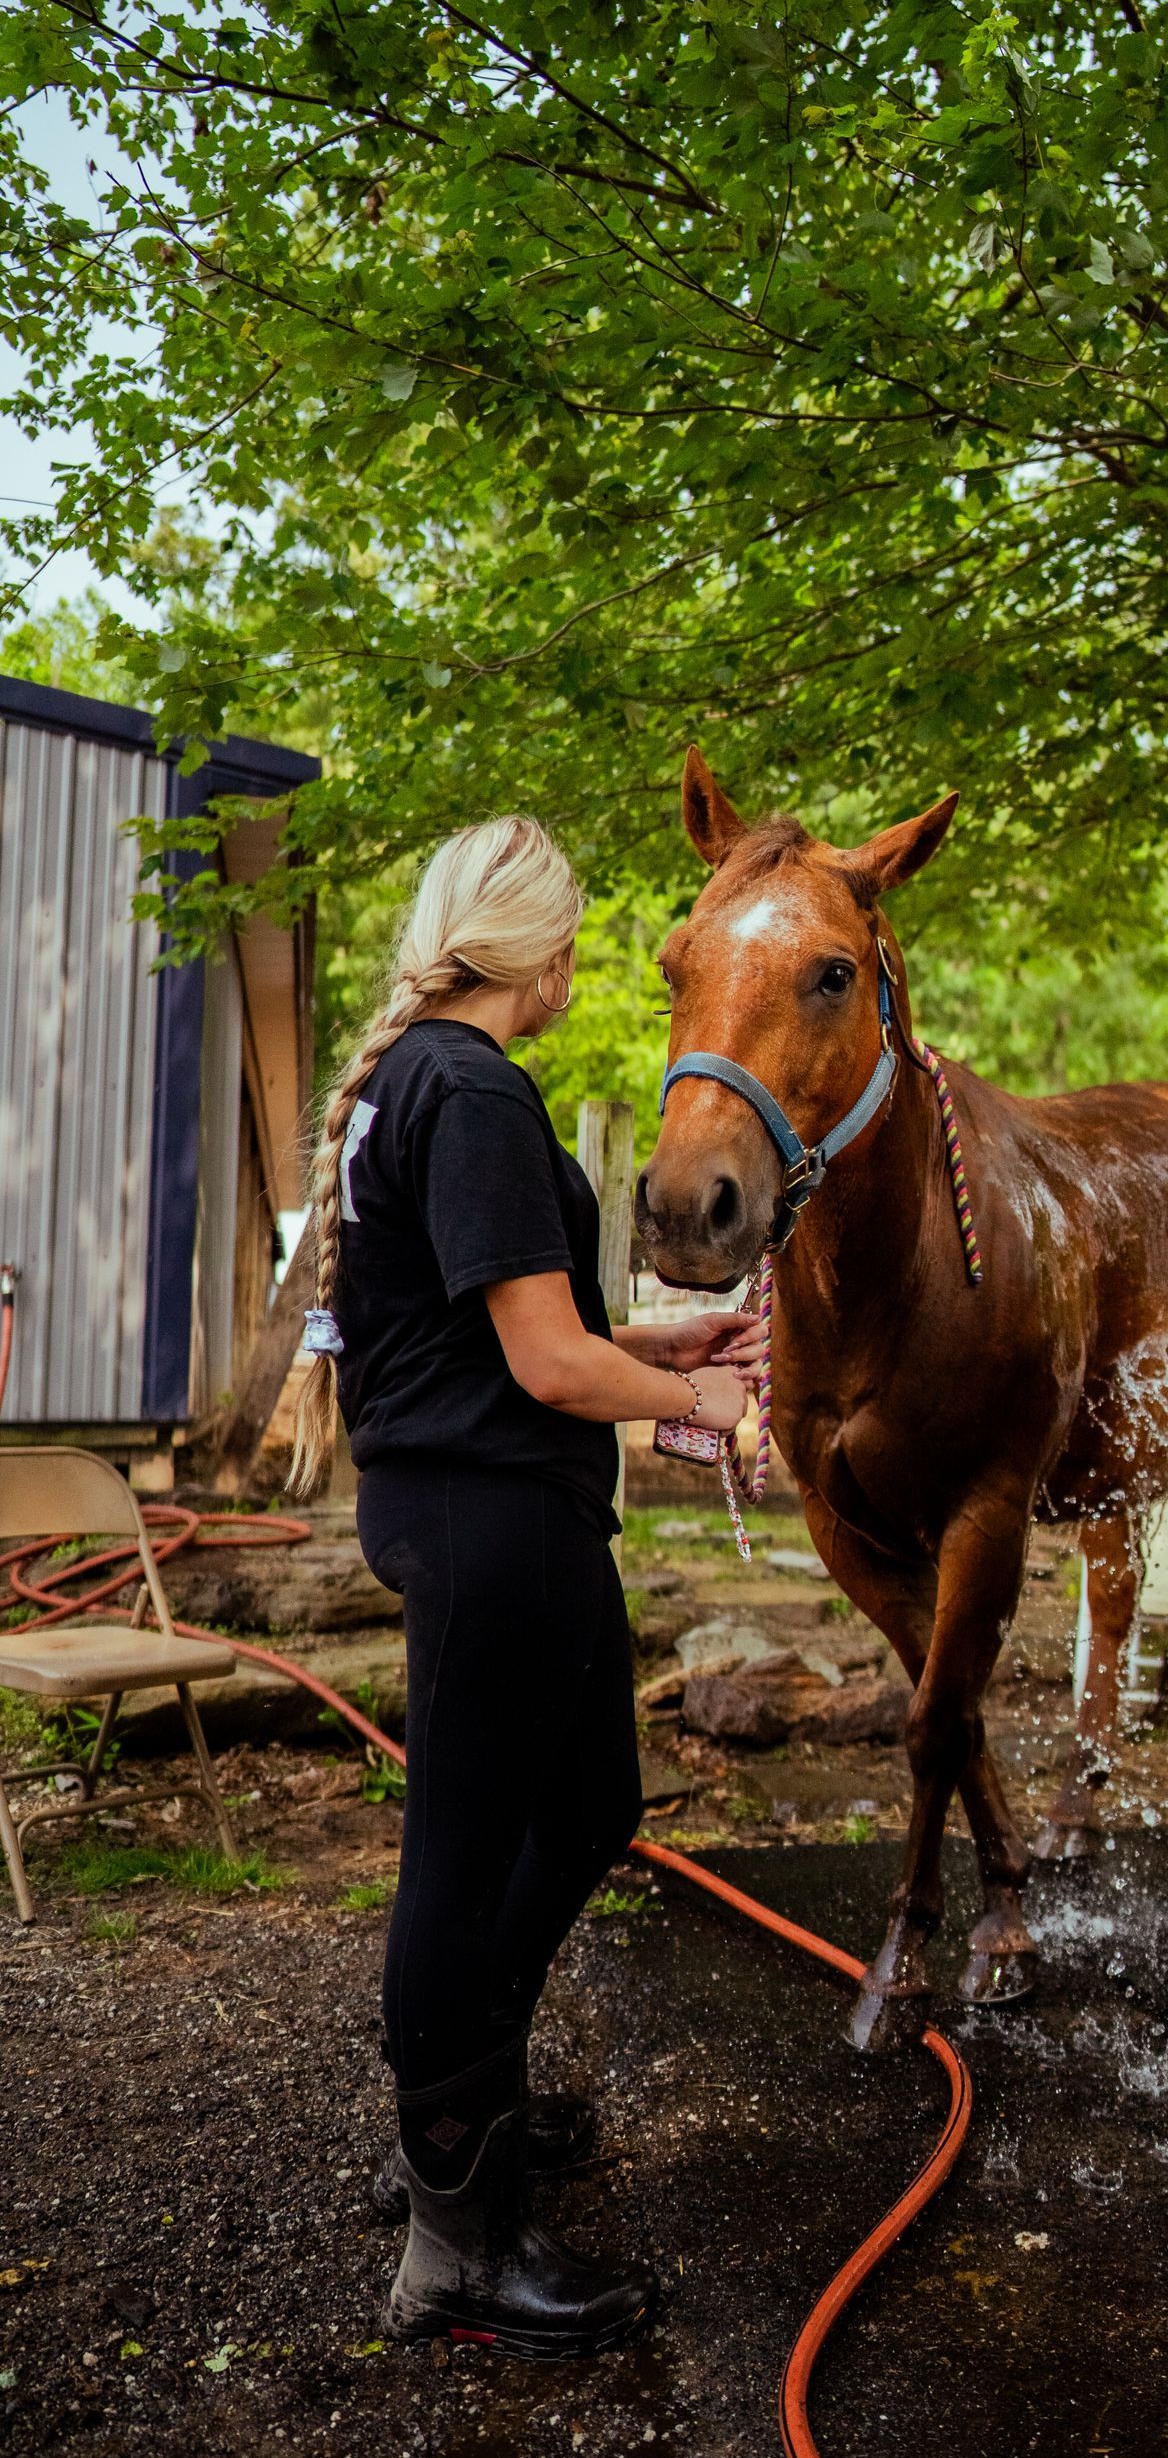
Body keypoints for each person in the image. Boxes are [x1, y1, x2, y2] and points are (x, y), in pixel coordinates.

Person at [289, 816, 756, 2355]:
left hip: (488, 1501)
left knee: (590, 1808)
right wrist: (707, 1410)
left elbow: (521, 1324)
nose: (580, 963)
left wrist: (668, 1349)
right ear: (536, 943)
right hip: (491, 1517)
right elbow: (547, 1365)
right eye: (576, 937)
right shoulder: (473, 1089)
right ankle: (458, 2240)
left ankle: (468, 2092)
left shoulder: (414, 1081)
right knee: (466, 1847)